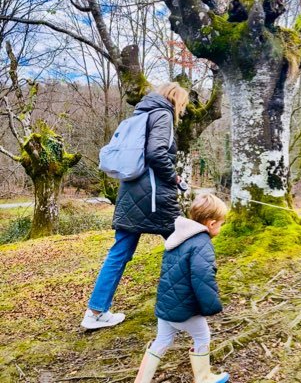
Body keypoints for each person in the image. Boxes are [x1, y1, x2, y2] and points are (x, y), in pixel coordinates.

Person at [81, 82, 189, 329]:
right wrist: (174, 177)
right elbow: (157, 154)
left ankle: (95, 313)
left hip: (131, 192)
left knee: (119, 253)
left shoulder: (141, 115)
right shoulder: (163, 114)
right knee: (184, 243)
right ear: (176, 100)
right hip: (154, 196)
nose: (181, 110)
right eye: (182, 104)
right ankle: (186, 303)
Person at [134, 194, 229, 383]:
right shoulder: (201, 242)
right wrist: (212, 306)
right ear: (211, 223)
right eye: (221, 223)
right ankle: (204, 378)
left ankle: (141, 380)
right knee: (202, 337)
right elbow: (203, 277)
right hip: (185, 309)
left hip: (166, 306)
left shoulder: (178, 237)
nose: (221, 226)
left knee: (161, 341)